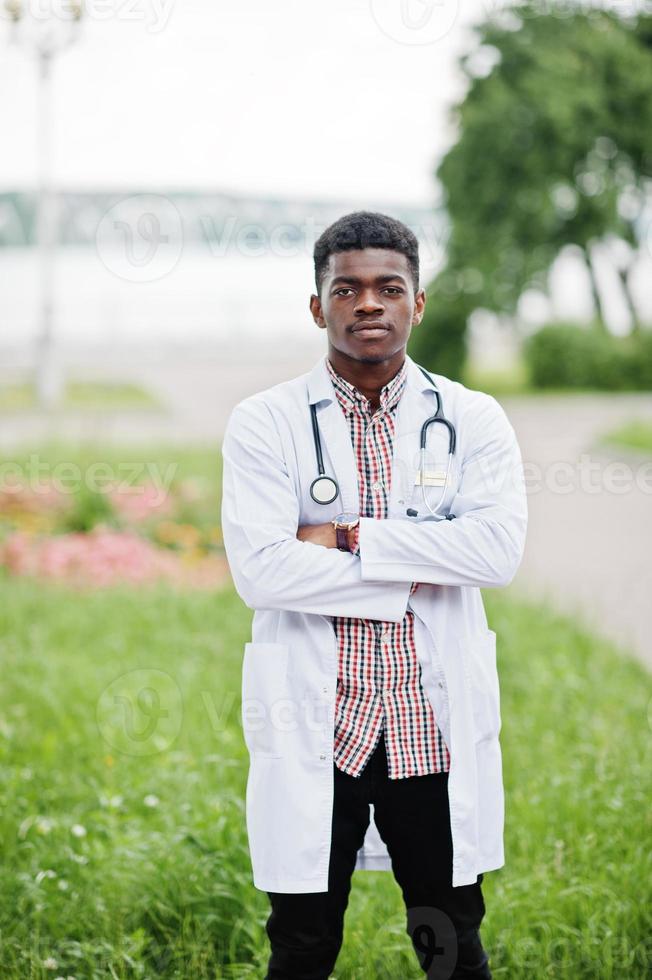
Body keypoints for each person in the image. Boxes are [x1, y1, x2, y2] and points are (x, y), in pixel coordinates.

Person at [221, 211, 528, 979]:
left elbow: (495, 552)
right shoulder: (264, 423)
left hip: (429, 724)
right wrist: (422, 560)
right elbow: (262, 570)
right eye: (347, 288)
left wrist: (353, 535)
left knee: (450, 938)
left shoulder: (472, 419)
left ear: (417, 303)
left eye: (389, 287)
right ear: (318, 306)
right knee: (302, 940)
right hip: (321, 726)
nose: (369, 304)